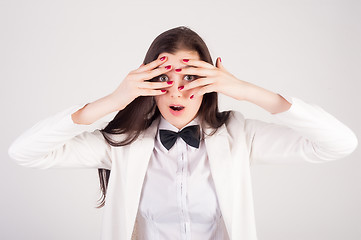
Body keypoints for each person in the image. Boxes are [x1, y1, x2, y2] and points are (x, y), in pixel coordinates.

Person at [8, 26, 358, 240]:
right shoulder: (121, 145)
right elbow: (24, 152)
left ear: (210, 84)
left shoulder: (238, 136)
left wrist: (246, 90)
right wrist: (114, 100)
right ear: (146, 84)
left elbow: (339, 143)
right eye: (164, 79)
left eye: (190, 78)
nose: (176, 92)